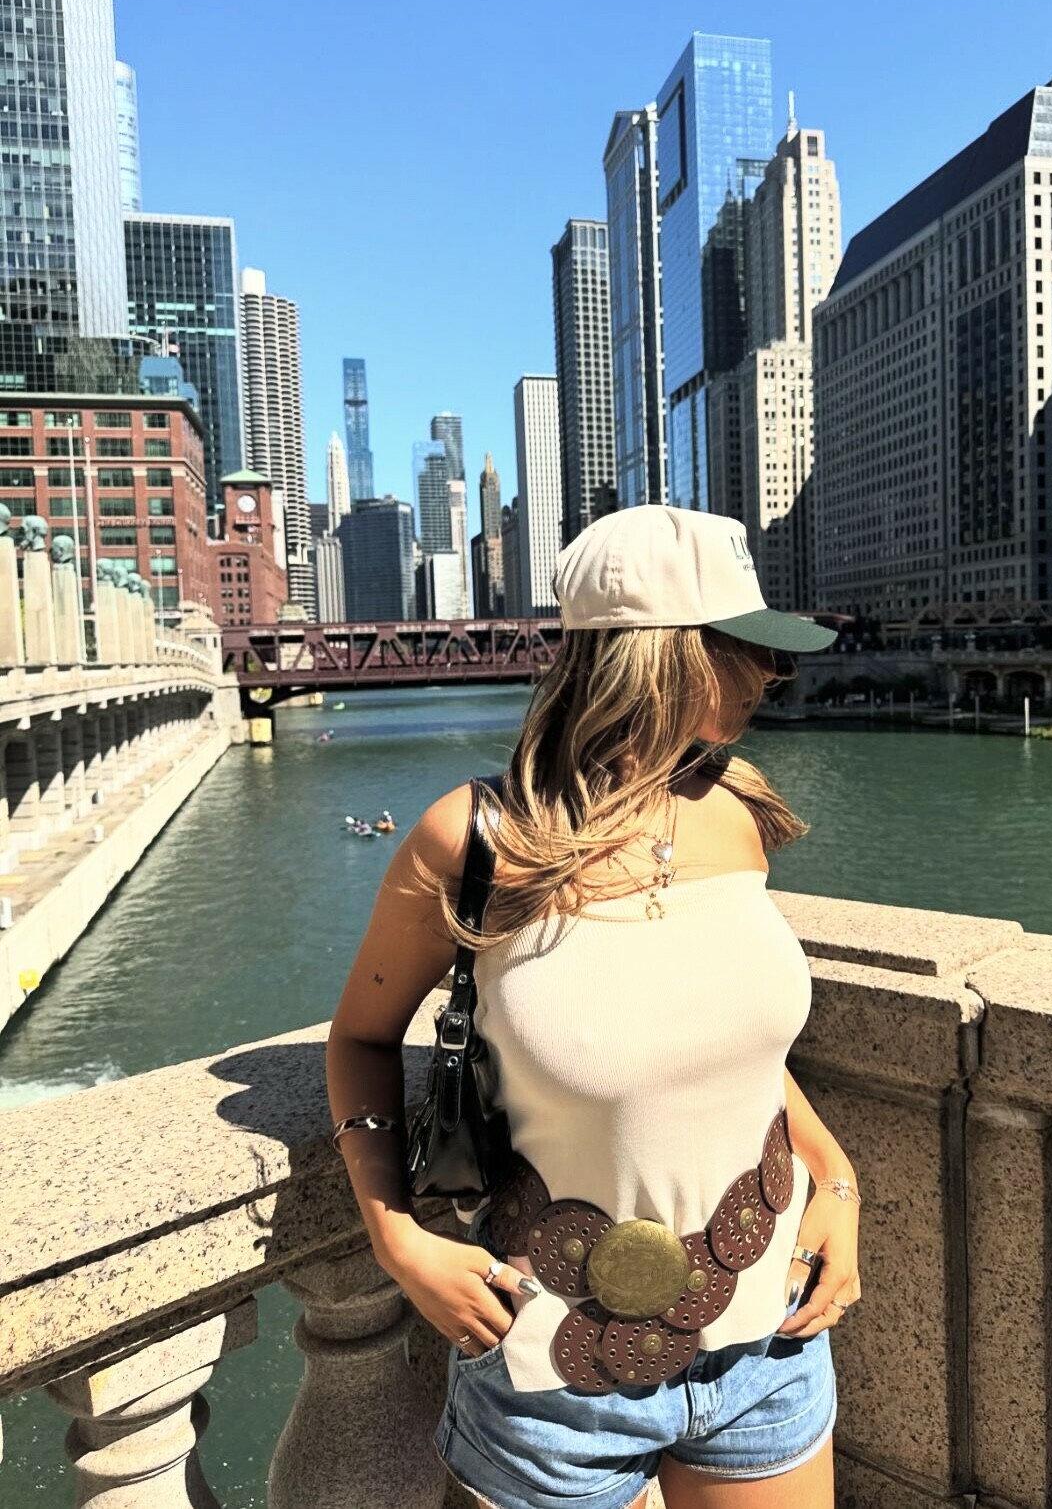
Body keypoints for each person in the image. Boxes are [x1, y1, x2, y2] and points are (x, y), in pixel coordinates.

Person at [327, 505, 861, 1509]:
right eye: (747, 646)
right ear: (663, 656)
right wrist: (397, 1238)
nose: (773, 671)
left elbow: (734, 1044)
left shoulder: (737, 805)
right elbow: (360, 1038)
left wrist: (835, 1176)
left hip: (771, 1346)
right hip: (549, 1376)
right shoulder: (473, 842)